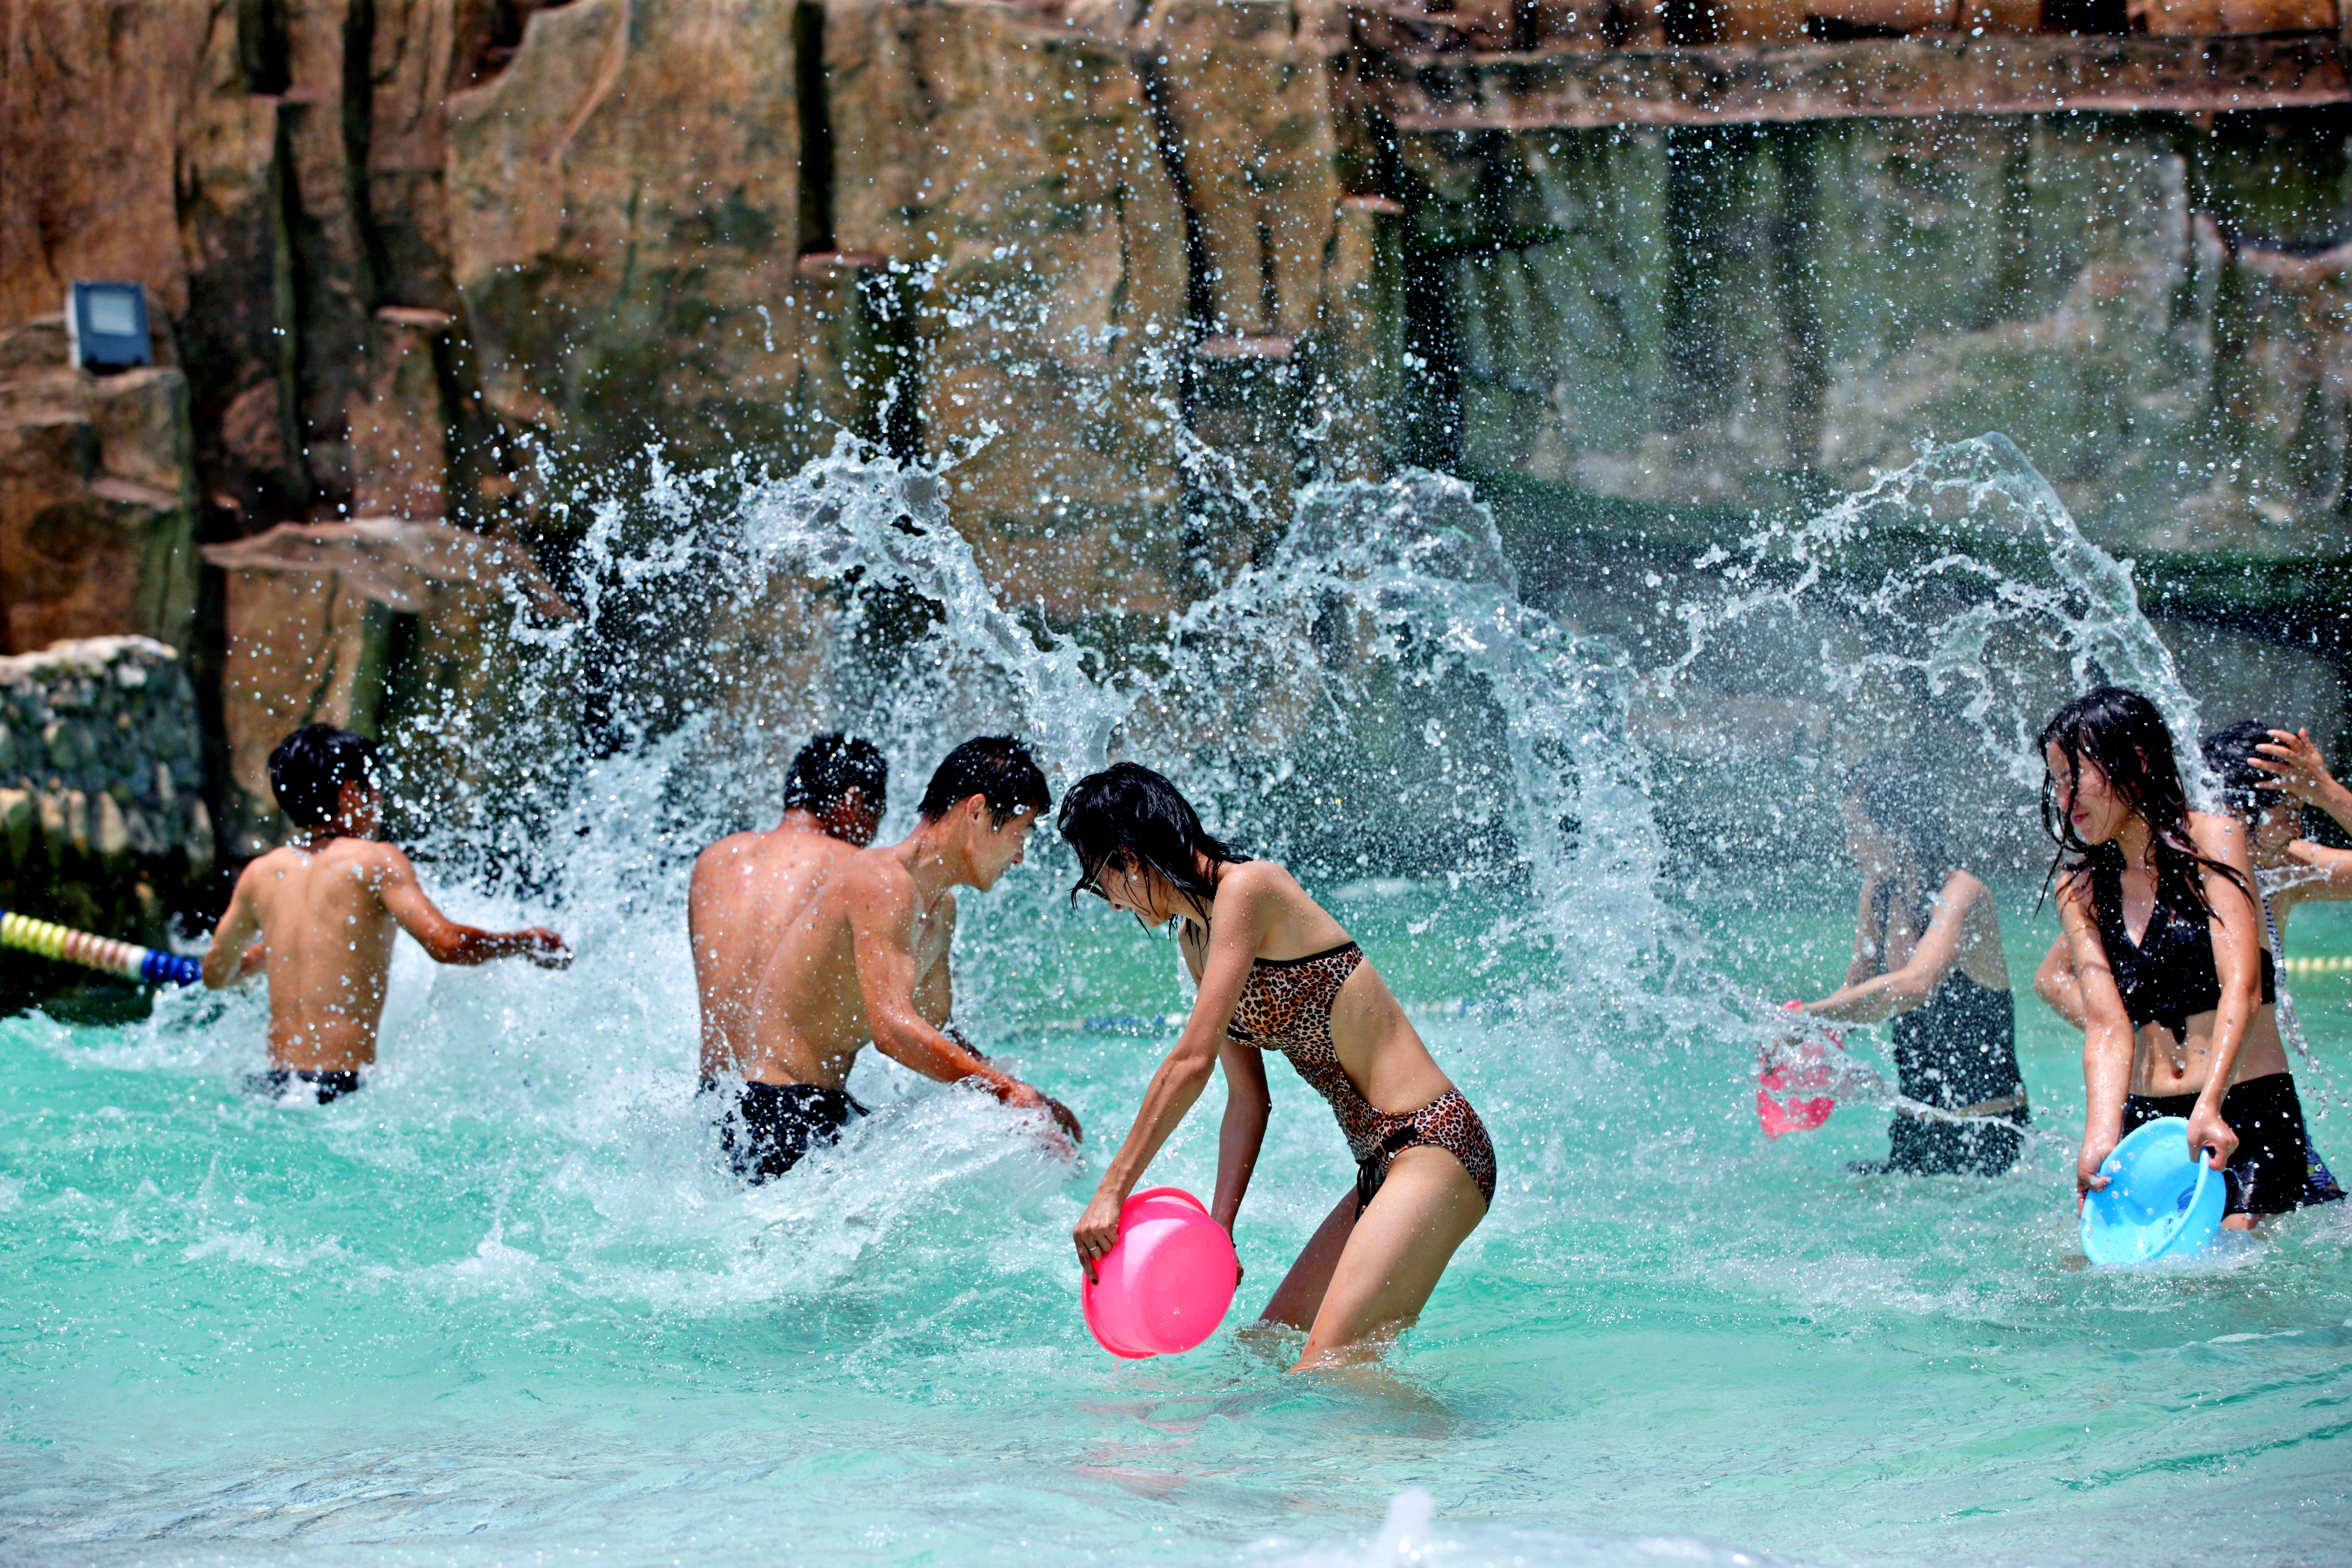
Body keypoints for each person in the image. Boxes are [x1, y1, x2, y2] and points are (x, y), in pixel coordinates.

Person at [1059, 762, 1494, 1371]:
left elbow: (1191, 1061)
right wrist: (1219, 1230)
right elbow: (1247, 1097)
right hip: (1381, 1167)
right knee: (1263, 1352)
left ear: (1129, 859)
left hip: (1435, 1144)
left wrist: (1112, 1192)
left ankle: (1462, 1461)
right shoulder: (1194, 938)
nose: (1107, 900)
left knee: (1328, 1367)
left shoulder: (1250, 889)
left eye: (1098, 876)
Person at [721, 736, 1081, 1183]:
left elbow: (934, 1031)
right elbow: (891, 1032)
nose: (1020, 855)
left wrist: (1028, 1101)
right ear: (977, 813)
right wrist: (1007, 1091)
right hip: (772, 1115)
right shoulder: (882, 880)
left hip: (821, 1109)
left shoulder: (939, 908)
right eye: (1019, 832)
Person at [2036, 687, 2314, 1230]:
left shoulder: (2214, 839)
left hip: (2245, 1104)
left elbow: (2244, 985)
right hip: (2148, 1121)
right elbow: (2106, 1025)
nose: (2065, 800)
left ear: (2136, 761)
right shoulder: (2079, 889)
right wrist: (2100, 1137)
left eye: (2077, 777)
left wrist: (2209, 1104)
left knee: (2233, 1267)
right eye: (2057, 782)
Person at [201, 725, 570, 1103]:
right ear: (349, 792)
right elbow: (446, 944)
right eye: (373, 788)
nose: (379, 801)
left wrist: (273, 952)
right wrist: (523, 943)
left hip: (272, 1087)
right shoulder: (376, 861)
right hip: (335, 1091)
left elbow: (216, 973)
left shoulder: (262, 873)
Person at [1790, 754, 2027, 1175]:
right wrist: (1795, 1039)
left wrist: (1812, 1015)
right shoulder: (1877, 893)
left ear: (1898, 827)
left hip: (1985, 1138)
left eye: (1856, 831)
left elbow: (1915, 984)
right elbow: (1852, 998)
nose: (1849, 847)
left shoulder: (1962, 894)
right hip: (1911, 1134)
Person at [691, 733, 886, 1082]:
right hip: (797, 1107)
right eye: (878, 813)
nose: (874, 830)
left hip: (716, 1103)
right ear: (853, 801)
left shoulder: (715, 859)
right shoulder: (856, 869)